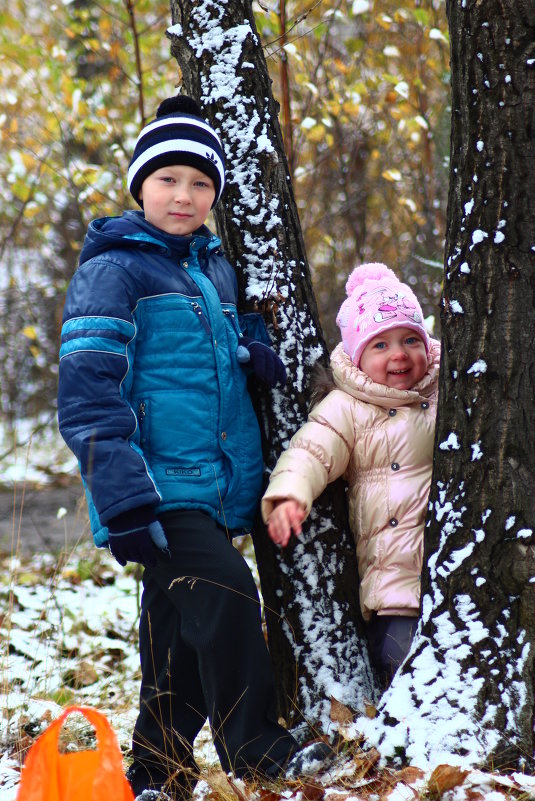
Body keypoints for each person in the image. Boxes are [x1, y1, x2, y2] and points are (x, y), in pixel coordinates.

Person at [57, 94, 302, 801]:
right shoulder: (114, 271)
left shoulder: (211, 267)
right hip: (154, 491)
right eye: (167, 179)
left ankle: (157, 769)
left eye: (200, 183)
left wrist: (247, 344)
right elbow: (88, 395)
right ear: (139, 186)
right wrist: (125, 500)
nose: (184, 195)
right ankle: (258, 749)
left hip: (209, 484)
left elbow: (197, 355)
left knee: (175, 635)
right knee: (225, 594)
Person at [262, 262, 440, 688]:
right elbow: (312, 451)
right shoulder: (347, 407)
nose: (399, 354)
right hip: (395, 579)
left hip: (455, 564)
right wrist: (289, 495)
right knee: (405, 664)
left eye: (411, 339)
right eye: (381, 345)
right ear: (358, 356)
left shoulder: (444, 391)